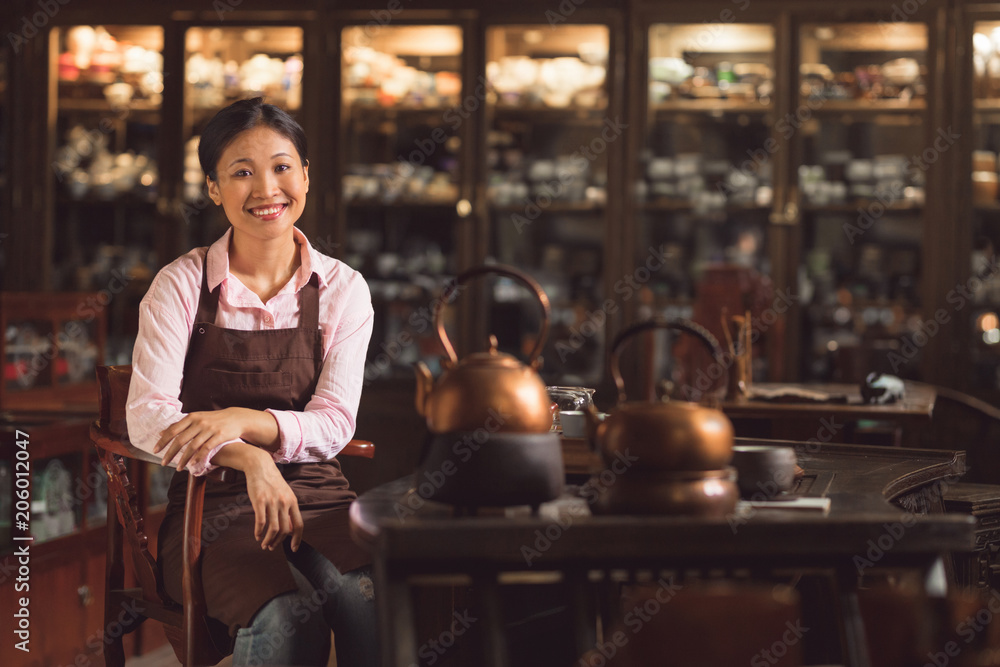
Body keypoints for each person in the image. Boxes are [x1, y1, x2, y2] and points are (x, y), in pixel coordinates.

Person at [126, 96, 377, 666]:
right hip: (207, 505)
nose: (267, 189)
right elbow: (146, 418)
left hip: (319, 495)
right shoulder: (181, 286)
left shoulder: (343, 289)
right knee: (286, 614)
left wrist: (240, 420)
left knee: (370, 597)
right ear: (214, 188)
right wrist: (250, 459)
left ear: (306, 176)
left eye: (282, 167)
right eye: (242, 172)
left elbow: (336, 421)